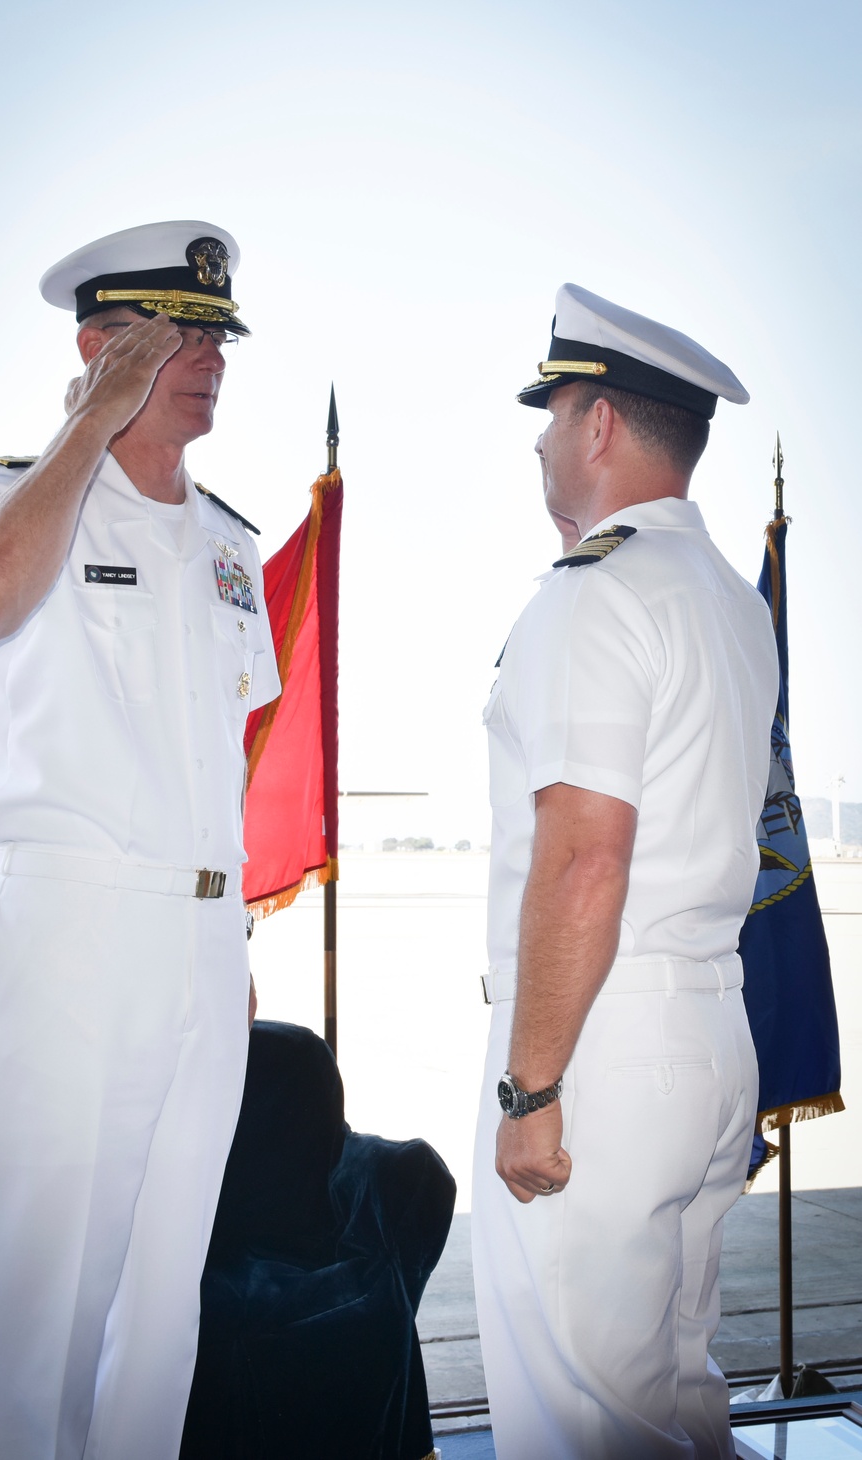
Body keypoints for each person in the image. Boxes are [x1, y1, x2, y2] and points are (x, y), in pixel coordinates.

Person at [0, 220, 281, 1460]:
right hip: (70, 935)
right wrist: (88, 427)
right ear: (99, 344)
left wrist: (221, 928)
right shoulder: (14, 500)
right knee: (42, 1319)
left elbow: (226, 745)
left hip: (198, 943)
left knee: (158, 1308)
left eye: (216, 334)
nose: (208, 357)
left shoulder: (230, 544)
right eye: (174, 334)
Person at [472, 283, 779, 1459]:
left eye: (551, 412)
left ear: (596, 422)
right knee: (676, 1401)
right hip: (708, 1032)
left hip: (599, 1051)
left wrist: (529, 1090)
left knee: (581, 1423)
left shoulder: (592, 596)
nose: (542, 440)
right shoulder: (728, 602)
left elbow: (585, 859)